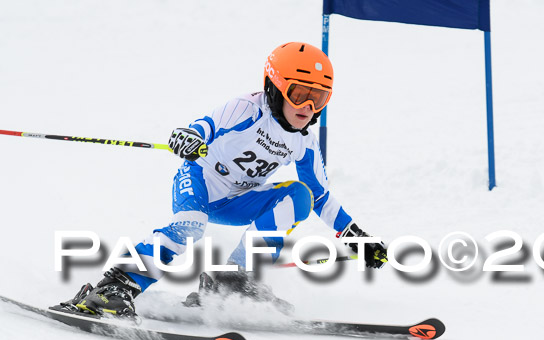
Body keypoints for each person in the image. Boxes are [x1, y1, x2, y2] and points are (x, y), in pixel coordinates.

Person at [59, 42, 388, 319]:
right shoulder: (247, 109)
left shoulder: (305, 142)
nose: (307, 106)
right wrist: (189, 136)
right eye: (299, 93)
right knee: (189, 228)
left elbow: (320, 197)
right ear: (274, 87)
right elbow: (206, 125)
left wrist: (357, 237)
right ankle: (113, 288)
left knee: (300, 195)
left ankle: (230, 280)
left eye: (318, 98)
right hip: (199, 179)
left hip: (237, 200)